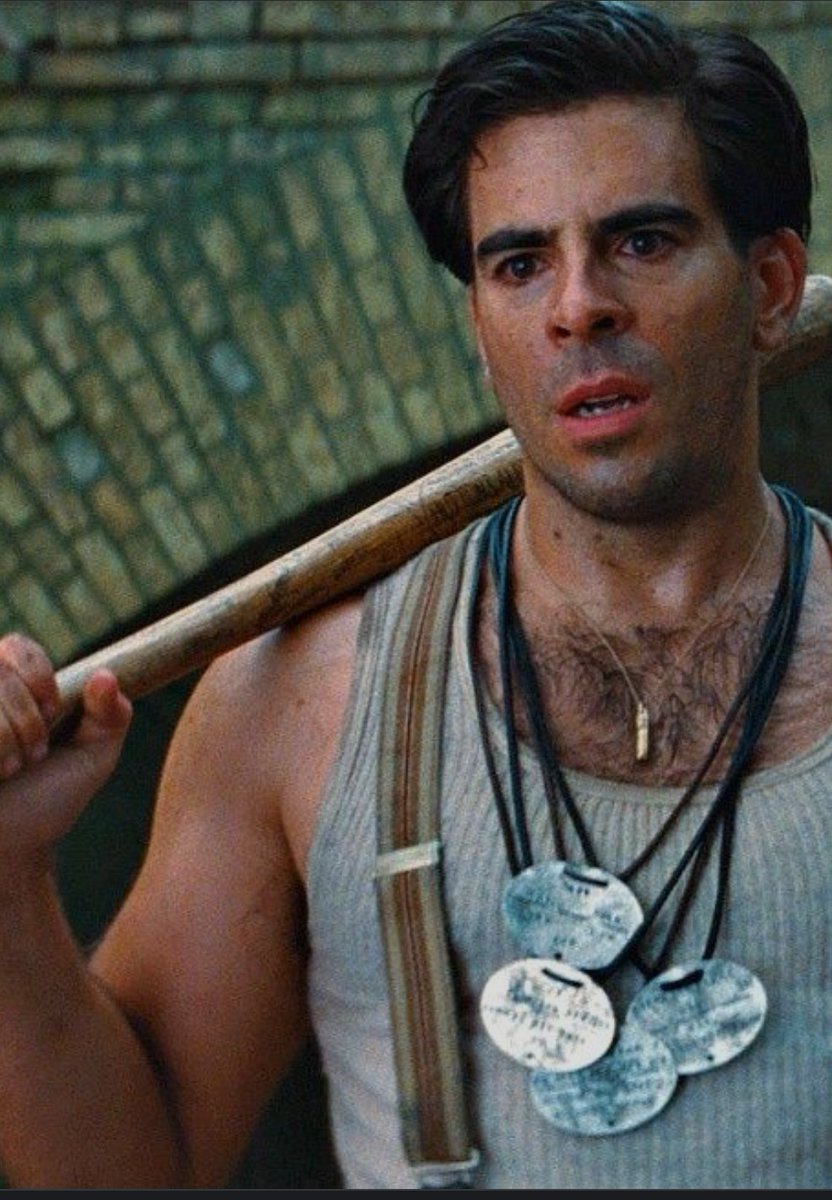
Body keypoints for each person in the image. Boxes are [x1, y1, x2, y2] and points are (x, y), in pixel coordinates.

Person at [0, 0, 827, 1189]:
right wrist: (7, 877)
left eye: (641, 242)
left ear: (771, 284)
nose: (577, 306)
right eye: (519, 263)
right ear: (480, 325)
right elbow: (123, 1170)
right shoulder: (301, 703)